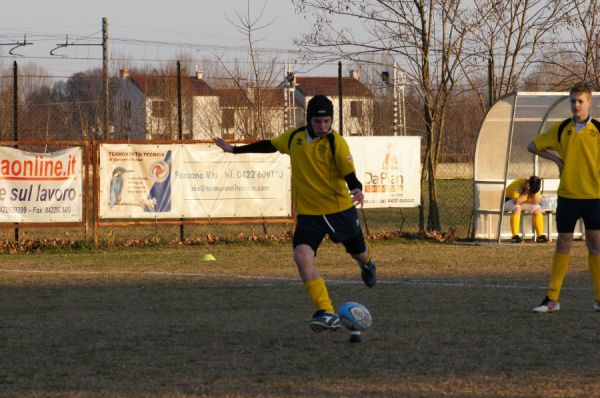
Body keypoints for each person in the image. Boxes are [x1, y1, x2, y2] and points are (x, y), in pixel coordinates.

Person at [214, 95, 376, 331]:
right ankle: (326, 311)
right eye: (318, 122)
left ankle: (368, 264)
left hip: (339, 209)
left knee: (359, 253)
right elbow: (269, 145)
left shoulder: (336, 143)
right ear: (309, 120)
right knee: (301, 256)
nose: (323, 126)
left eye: (327, 121)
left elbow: (350, 175)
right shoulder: (294, 138)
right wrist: (235, 150)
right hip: (310, 214)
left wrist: (357, 189)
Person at [527, 81, 600, 313]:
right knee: (563, 243)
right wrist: (557, 160)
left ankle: (599, 299)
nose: (576, 105)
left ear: (589, 102)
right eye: (573, 101)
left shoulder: (598, 130)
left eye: (580, 101)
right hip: (568, 197)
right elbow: (532, 145)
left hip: (594, 197)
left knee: (596, 245)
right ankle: (553, 299)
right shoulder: (561, 129)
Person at [504, 176, 548, 243]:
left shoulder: (535, 185)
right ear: (527, 183)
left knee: (537, 208)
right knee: (517, 208)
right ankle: (515, 237)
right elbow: (516, 202)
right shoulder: (518, 184)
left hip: (521, 201)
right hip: (507, 201)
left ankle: (540, 236)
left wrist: (534, 193)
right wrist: (526, 191)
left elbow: (536, 202)